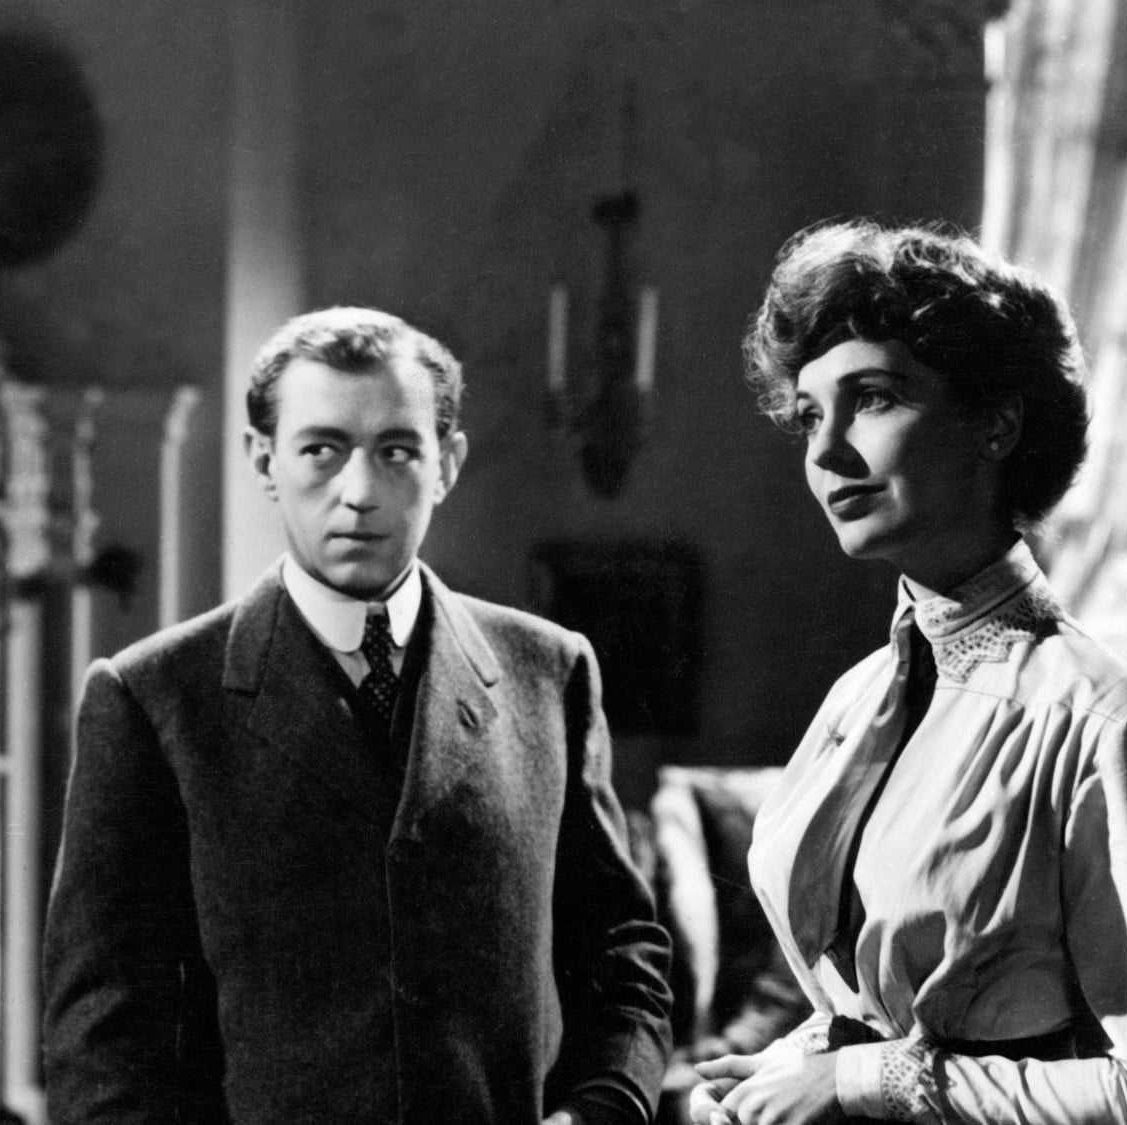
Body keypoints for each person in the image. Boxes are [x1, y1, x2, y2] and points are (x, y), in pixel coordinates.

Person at [43, 306, 674, 1125]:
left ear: (446, 464)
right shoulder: (152, 698)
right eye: (322, 450)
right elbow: (102, 1044)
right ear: (263, 460)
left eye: (396, 451)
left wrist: (598, 1113)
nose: (360, 492)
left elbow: (621, 957)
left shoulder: (547, 672)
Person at [689, 221, 1127, 1125]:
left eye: (872, 398)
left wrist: (859, 1081)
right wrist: (785, 1070)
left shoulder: (1114, 726)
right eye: (811, 414)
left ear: (997, 424)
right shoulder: (858, 699)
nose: (826, 452)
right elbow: (873, 1009)